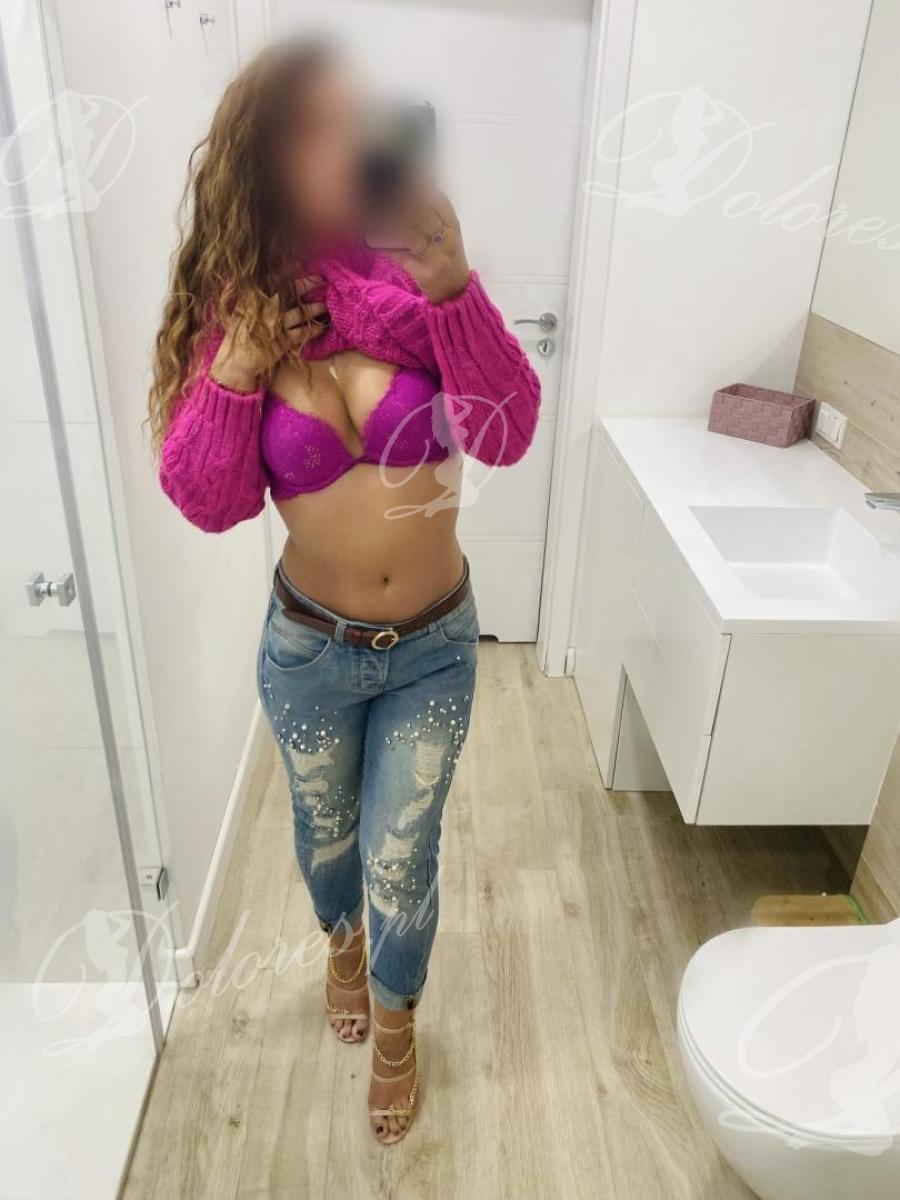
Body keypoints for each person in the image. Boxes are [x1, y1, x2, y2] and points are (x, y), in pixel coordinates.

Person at [148, 40, 540, 1143]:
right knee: (328, 845)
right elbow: (211, 500)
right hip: (310, 648)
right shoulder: (236, 309)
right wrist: (237, 369)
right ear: (266, 158)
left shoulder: (416, 280)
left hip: (432, 645)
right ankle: (340, 943)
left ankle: (398, 1024)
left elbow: (507, 430)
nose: (352, 143)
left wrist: (455, 288)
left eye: (357, 120)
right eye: (317, 126)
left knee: (402, 854)